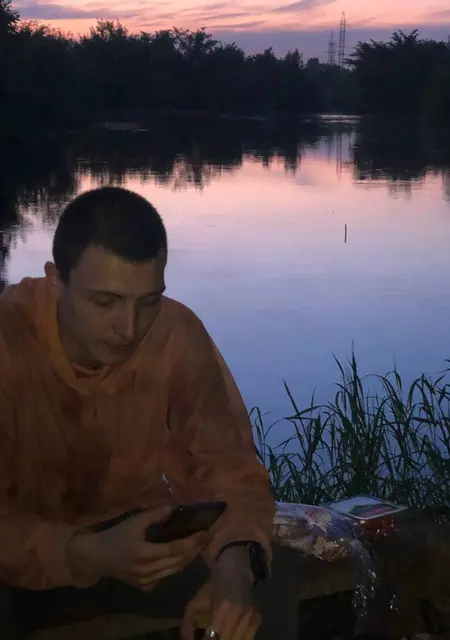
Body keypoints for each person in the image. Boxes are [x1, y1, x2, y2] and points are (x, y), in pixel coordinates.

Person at [0, 186, 284, 639]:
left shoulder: (175, 334)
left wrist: (234, 566)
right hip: (21, 559)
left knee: (266, 589)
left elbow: (228, 469)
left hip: (136, 540)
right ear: (56, 281)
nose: (129, 328)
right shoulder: (9, 341)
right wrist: (88, 553)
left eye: (148, 301)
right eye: (105, 302)